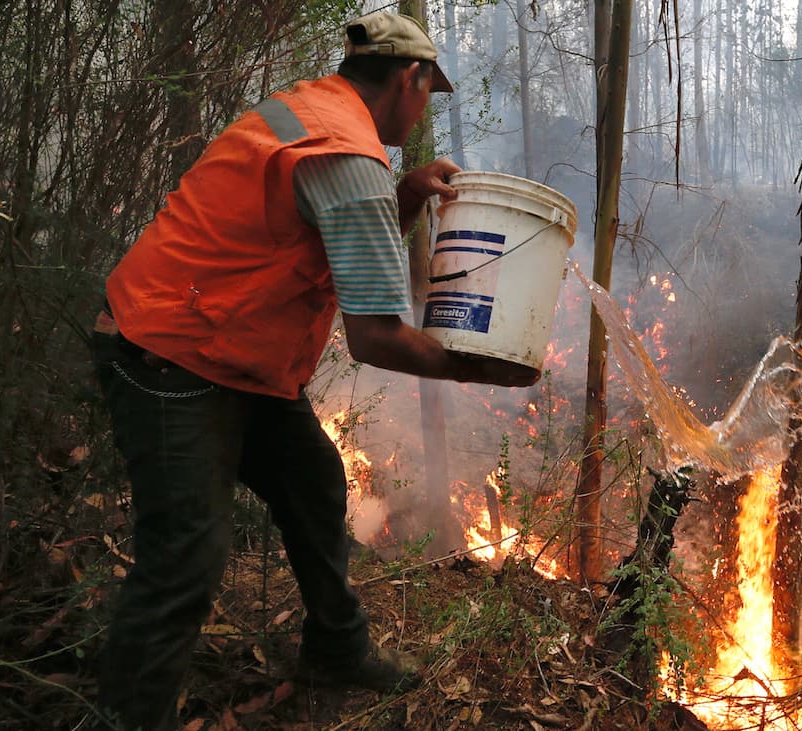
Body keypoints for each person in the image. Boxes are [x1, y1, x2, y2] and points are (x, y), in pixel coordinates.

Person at [89, 12, 536, 731]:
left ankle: (336, 647)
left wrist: (412, 195)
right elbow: (377, 336)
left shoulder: (312, 112)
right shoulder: (349, 156)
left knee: (315, 483)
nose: (425, 108)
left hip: (226, 352)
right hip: (171, 353)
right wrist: (479, 366)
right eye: (429, 91)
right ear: (409, 78)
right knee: (185, 563)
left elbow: (331, 230)